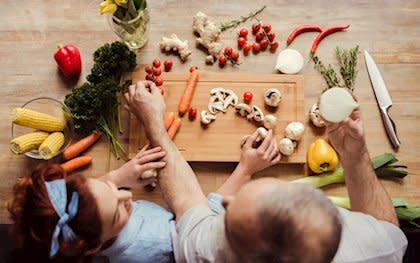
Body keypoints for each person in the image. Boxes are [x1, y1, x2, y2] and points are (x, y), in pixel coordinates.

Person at [124, 80, 407, 263]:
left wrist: (154, 124)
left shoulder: (206, 252)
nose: (224, 199)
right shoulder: (375, 251)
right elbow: (386, 229)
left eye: (230, 211)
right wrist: (354, 155)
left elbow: (187, 201)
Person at [8, 127, 279, 262]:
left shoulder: (78, 227)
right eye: (118, 213)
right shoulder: (149, 246)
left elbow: (93, 199)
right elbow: (200, 226)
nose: (127, 198)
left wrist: (118, 177)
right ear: (92, 246)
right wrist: (245, 170)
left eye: (111, 191)